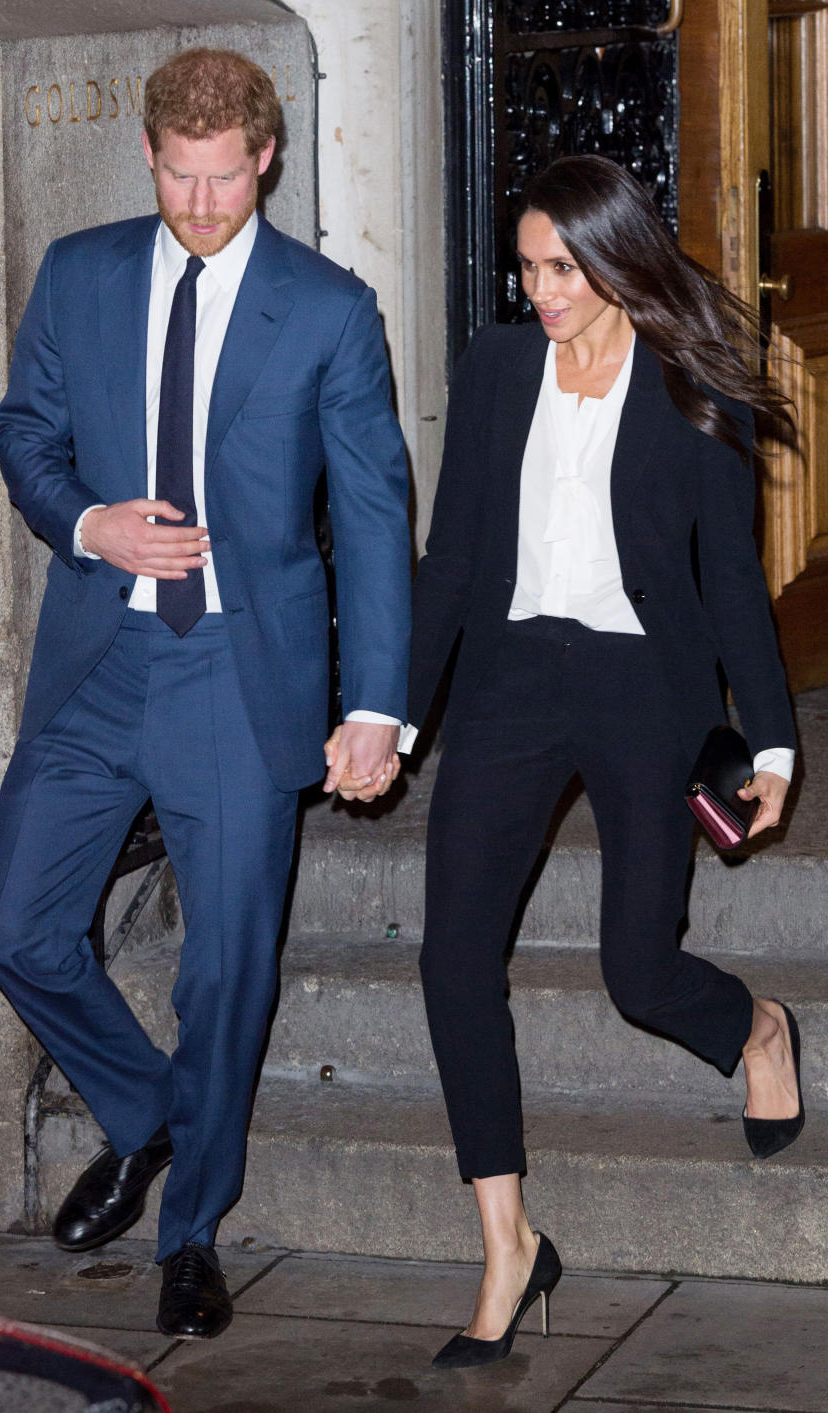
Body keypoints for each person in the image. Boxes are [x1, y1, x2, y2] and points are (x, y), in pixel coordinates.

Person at [0, 47, 409, 1340]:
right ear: (150, 154)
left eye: (224, 177)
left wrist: (375, 702)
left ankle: (194, 1223)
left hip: (235, 674)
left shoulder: (327, 312)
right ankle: (151, 1112)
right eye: (177, 174)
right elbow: (22, 435)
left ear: (264, 158)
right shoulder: (82, 276)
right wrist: (90, 524)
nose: (201, 202)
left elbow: (377, 518)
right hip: (101, 663)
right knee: (13, 927)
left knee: (224, 973)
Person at [405, 155, 803, 1371]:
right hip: (513, 678)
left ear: (618, 257)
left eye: (561, 268)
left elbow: (731, 579)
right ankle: (508, 1242)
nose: (541, 292)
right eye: (526, 268)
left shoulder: (689, 388)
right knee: (451, 955)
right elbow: (454, 560)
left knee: (638, 971)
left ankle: (759, 1030)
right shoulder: (497, 367)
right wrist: (394, 713)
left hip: (644, 687)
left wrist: (774, 738)